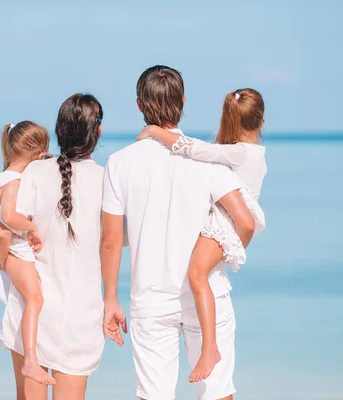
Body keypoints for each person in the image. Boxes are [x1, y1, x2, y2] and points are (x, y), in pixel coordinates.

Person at [101, 65, 255, 400]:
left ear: (140, 105)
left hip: (151, 298)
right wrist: (223, 256)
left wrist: (110, 298)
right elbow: (245, 222)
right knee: (217, 393)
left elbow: (111, 241)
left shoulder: (119, 163)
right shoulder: (208, 159)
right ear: (183, 101)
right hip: (208, 294)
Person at [136, 88, 267, 382]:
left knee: (196, 274)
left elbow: (194, 148)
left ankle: (210, 348)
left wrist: (155, 131)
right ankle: (208, 347)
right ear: (262, 120)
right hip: (225, 222)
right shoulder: (251, 152)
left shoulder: (240, 152)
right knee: (198, 275)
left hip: (223, 223)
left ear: (229, 117)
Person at [0, 93, 106, 400]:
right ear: (97, 132)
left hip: (33, 314)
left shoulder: (33, 173)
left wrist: (1, 262)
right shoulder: (107, 181)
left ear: (58, 132)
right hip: (79, 320)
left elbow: (4, 231)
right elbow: (112, 243)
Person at [0, 120, 55, 385]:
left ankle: (29, 359)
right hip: (15, 251)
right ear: (37, 154)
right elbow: (7, 220)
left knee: (27, 302)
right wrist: (32, 227)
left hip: (8, 252)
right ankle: (31, 361)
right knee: (35, 299)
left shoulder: (1, 177)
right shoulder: (15, 181)